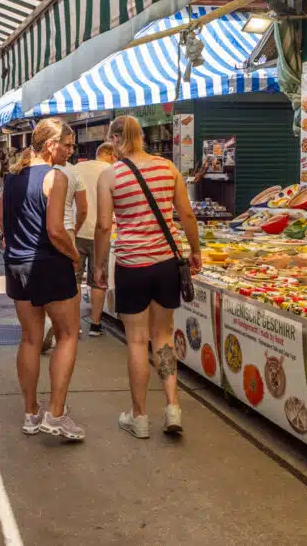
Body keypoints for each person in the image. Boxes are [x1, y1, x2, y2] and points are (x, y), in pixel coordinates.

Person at [94, 116, 201, 438]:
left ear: (114, 139)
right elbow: (186, 214)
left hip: (131, 266)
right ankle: (173, 408)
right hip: (166, 263)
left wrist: (99, 266)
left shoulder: (110, 176)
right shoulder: (167, 168)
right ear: (141, 137)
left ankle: (139, 417)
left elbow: (103, 226)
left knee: (138, 342)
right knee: (164, 336)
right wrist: (195, 249)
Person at [0, 118, 84, 441]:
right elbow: (56, 230)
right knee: (68, 335)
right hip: (50, 264)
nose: (71, 152)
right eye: (68, 146)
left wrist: (12, 239)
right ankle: (56, 413)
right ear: (51, 146)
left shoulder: (13, 178)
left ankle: (31, 413)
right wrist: (75, 256)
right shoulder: (55, 178)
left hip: (18, 266)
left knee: (30, 339)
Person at [67, 143, 116, 336]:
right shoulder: (112, 171)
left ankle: (75, 324)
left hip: (77, 232)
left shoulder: (76, 169)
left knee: (75, 280)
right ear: (111, 155)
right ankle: (95, 325)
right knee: (99, 280)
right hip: (101, 234)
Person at [40, 157, 87, 353]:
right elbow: (83, 209)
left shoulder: (39, 171)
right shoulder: (74, 172)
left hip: (41, 230)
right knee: (70, 282)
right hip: (65, 229)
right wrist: (74, 231)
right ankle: (71, 325)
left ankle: (48, 321)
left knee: (44, 278)